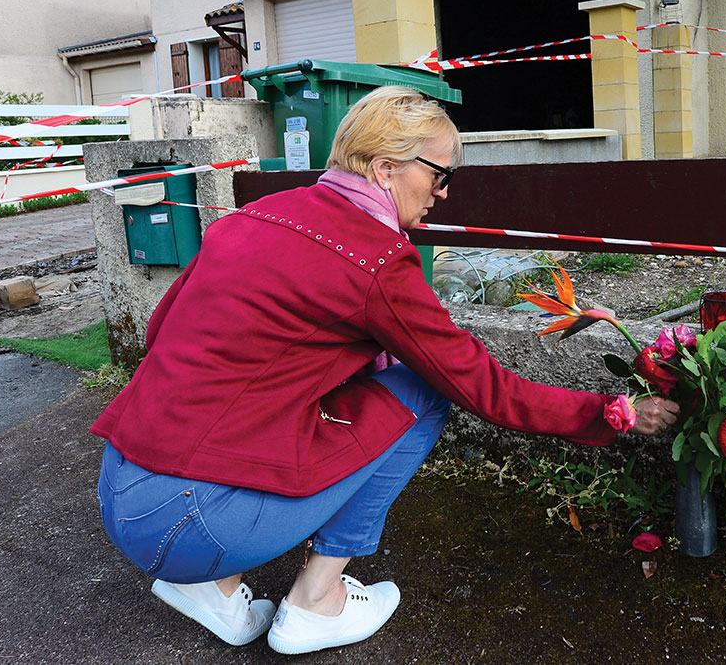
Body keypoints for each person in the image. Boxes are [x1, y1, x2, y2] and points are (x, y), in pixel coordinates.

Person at [90, 86, 678, 655]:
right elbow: (479, 385)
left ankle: (209, 589)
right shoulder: (373, 258)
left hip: (119, 490)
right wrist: (610, 413)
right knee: (424, 391)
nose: (444, 193)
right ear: (383, 169)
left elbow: (158, 330)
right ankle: (314, 601)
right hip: (195, 519)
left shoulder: (257, 214)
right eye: (440, 175)